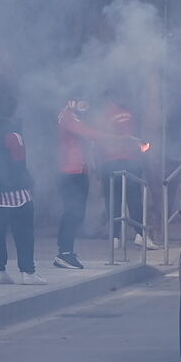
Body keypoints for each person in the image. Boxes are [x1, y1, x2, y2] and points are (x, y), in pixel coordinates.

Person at [0, 94, 45, 285]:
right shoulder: (14, 134)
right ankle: (28, 271)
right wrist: (29, 182)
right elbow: (19, 162)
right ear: (15, 111)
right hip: (16, 189)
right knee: (24, 230)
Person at [54, 99, 109, 269]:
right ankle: (64, 253)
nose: (86, 106)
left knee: (75, 213)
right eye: (83, 102)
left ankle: (65, 251)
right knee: (73, 213)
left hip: (78, 170)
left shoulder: (74, 116)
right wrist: (113, 137)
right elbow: (87, 133)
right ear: (72, 101)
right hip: (71, 171)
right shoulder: (69, 116)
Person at [97, 91, 156, 250]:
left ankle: (115, 237)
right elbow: (136, 139)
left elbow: (97, 141)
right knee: (134, 199)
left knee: (113, 201)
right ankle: (140, 235)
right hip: (130, 162)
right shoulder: (129, 114)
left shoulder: (101, 117)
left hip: (109, 163)